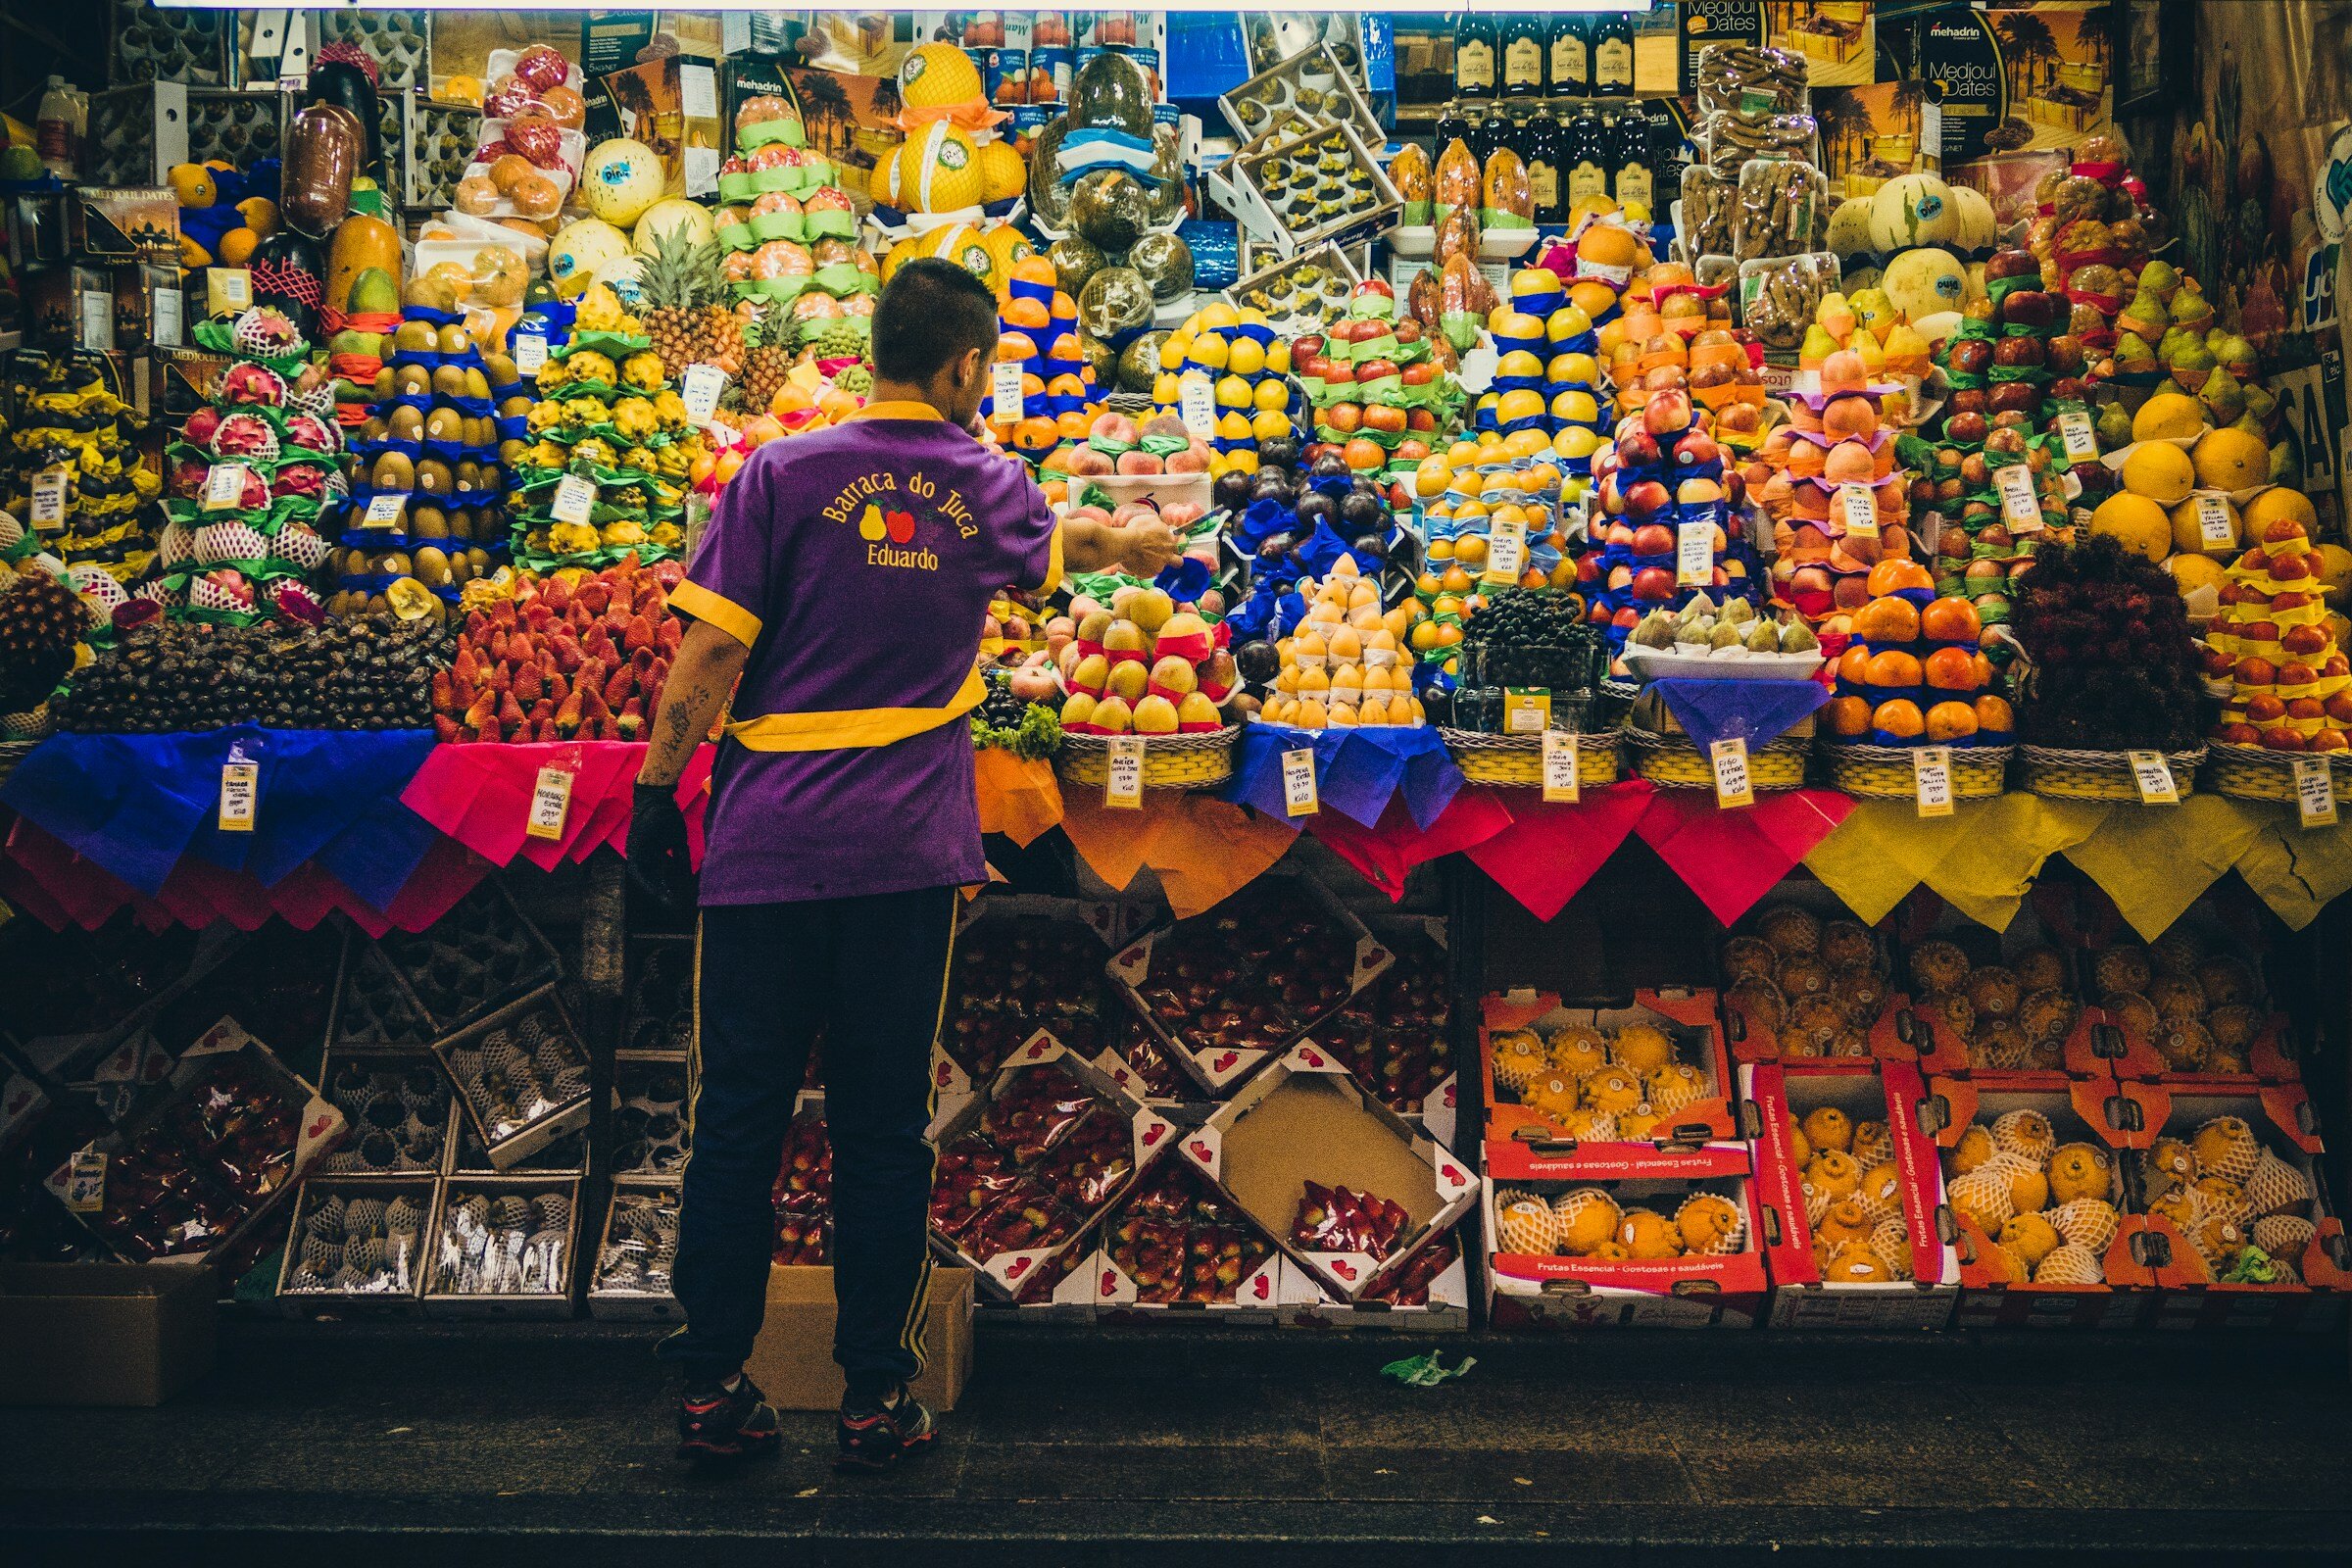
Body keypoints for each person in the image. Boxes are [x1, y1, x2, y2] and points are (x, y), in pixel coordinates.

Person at [628, 259, 1180, 1471]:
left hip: (766, 848)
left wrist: (655, 797)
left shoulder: (778, 473)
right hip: (902, 862)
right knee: (884, 1129)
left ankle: (714, 1385)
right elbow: (1063, 553)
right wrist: (1135, 545)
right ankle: (876, 1395)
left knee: (736, 1122)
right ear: (967, 365)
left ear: (874, 350)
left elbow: (708, 659)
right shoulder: (988, 486)